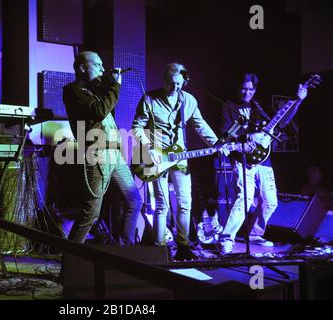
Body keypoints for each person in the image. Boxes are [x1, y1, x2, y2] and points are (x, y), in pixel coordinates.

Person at [132, 63, 227, 260]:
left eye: (179, 84)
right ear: (164, 80)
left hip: (180, 157)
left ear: (184, 82)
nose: (174, 88)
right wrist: (148, 148)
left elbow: (200, 125)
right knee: (161, 205)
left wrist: (217, 143)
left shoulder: (189, 101)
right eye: (171, 83)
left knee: (185, 203)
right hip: (156, 158)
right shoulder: (149, 99)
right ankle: (159, 250)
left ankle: (183, 246)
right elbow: (136, 127)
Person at [218, 73, 307, 255]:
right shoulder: (229, 106)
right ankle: (226, 239)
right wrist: (250, 137)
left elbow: (281, 122)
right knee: (245, 198)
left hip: (264, 160)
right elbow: (225, 134)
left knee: (271, 202)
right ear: (238, 88)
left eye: (251, 89)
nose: (247, 92)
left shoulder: (258, 106)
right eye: (244, 88)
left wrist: (298, 100)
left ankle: (255, 234)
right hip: (243, 160)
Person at [62, 51, 141, 245]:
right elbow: (99, 111)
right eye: (97, 65)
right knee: (91, 214)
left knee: (134, 201)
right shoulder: (73, 91)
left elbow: (104, 101)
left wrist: (107, 82)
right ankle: (70, 262)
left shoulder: (96, 90)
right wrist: (114, 85)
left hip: (115, 154)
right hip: (97, 154)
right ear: (82, 68)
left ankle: (124, 252)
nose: (102, 69)